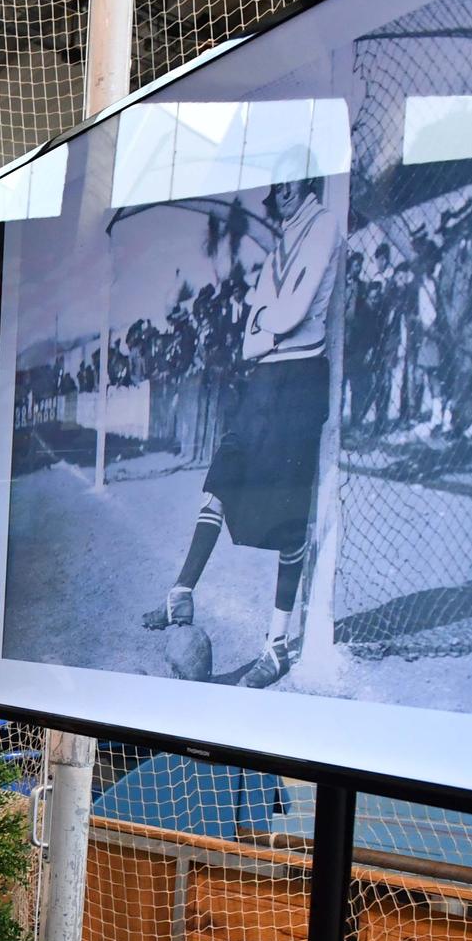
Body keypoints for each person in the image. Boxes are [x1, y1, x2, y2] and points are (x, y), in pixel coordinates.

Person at [142, 148, 343, 689]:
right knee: (221, 481)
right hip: (262, 381)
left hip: (299, 381)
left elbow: (289, 312)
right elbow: (258, 320)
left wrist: (264, 325)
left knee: (287, 517)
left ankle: (276, 645)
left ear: (301, 184)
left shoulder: (323, 227)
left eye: (280, 188)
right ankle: (180, 594)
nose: (273, 198)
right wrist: (264, 325)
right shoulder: (283, 240)